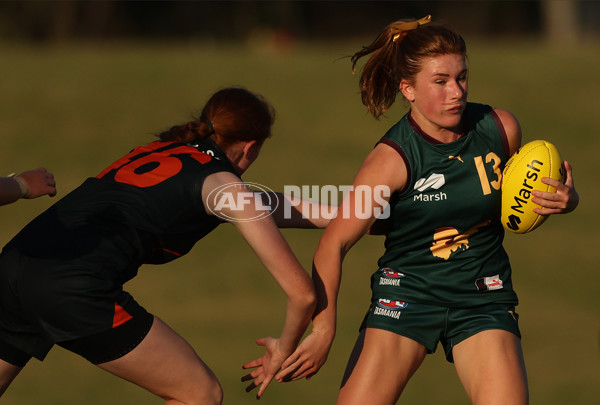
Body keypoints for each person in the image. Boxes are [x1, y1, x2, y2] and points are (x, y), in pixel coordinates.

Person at [270, 16, 579, 405]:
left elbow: (524, 195)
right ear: (408, 89)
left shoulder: (500, 128)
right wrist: (324, 330)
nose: (456, 92)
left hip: (483, 295)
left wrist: (566, 201)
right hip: (408, 295)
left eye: (462, 77)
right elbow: (332, 246)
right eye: (441, 81)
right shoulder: (390, 162)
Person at [0, 87, 321, 404]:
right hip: (73, 287)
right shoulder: (224, 185)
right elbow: (303, 294)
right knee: (199, 393)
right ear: (251, 148)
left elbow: (262, 205)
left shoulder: (160, 151)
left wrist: (359, 214)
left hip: (14, 266)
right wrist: (282, 348)